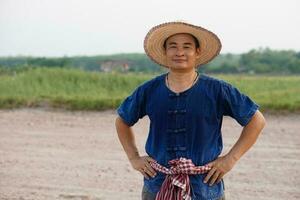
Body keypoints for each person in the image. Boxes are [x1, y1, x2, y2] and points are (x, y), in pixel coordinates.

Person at [115, 21, 266, 200]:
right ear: (165, 51)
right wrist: (134, 158)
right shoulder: (149, 90)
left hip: (205, 187)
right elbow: (122, 120)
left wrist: (230, 160)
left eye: (187, 46)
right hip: (157, 185)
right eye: (173, 46)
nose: (179, 52)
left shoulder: (218, 90)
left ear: (197, 51)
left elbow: (256, 120)